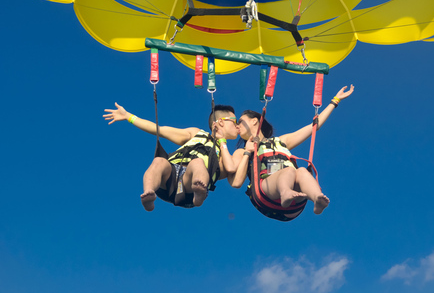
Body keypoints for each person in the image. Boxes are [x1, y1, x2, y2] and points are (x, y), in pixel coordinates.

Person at [228, 85, 354, 222]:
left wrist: (335, 101)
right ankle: (285, 192)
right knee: (288, 171)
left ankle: (317, 198)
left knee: (301, 171)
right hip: (266, 188)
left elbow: (313, 127)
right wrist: (247, 152)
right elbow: (236, 183)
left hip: (295, 196)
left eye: (240, 121)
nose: (237, 126)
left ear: (254, 121)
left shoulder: (281, 141)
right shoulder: (241, 151)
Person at [103, 103, 238, 211]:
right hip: (170, 178)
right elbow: (159, 130)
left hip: (189, 187)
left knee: (197, 163)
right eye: (235, 121)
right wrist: (128, 116)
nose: (237, 127)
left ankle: (199, 193)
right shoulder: (195, 133)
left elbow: (230, 169)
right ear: (221, 122)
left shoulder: (224, 154)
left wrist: (222, 142)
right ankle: (149, 194)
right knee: (159, 161)